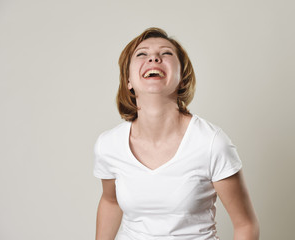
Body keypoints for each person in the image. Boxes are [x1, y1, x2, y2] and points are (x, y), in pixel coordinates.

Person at [93, 27, 259, 240]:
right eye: (142, 54)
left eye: (166, 54)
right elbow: (110, 201)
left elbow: (246, 225)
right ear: (128, 81)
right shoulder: (108, 145)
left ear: (182, 78)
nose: (153, 58)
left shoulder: (211, 143)